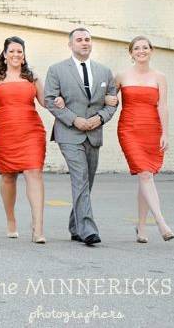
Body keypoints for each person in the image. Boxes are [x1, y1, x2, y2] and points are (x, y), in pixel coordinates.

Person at [43, 28, 117, 246]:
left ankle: (75, 226)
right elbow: (49, 99)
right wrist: (74, 119)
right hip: (69, 133)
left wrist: (100, 118)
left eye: (87, 40)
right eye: (79, 40)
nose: (84, 43)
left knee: (88, 180)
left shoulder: (104, 71)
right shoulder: (56, 70)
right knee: (80, 177)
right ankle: (88, 229)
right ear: (70, 45)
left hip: (94, 133)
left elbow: (112, 102)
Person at [0, 36, 47, 244]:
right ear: (4, 54)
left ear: (24, 54)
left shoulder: (33, 77)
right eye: (12, 51)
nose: (16, 55)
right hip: (4, 130)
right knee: (8, 176)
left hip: (31, 129)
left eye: (19, 51)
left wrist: (61, 99)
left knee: (34, 172)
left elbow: (46, 102)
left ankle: (38, 227)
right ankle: (11, 221)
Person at [114, 36, 174, 243]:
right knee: (145, 174)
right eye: (137, 48)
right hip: (129, 129)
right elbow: (108, 100)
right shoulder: (121, 76)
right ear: (131, 53)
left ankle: (140, 227)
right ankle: (161, 222)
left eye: (145, 47)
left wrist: (165, 133)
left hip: (152, 129)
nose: (141, 51)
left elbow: (163, 106)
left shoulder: (160, 76)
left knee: (145, 175)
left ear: (151, 50)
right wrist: (108, 98)